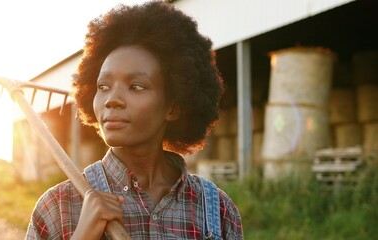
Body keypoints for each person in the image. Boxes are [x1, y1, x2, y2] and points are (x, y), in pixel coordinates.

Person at [26, 1, 243, 239]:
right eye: (104, 86)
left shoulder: (217, 210)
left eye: (136, 86)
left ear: (173, 107)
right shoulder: (57, 207)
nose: (112, 100)